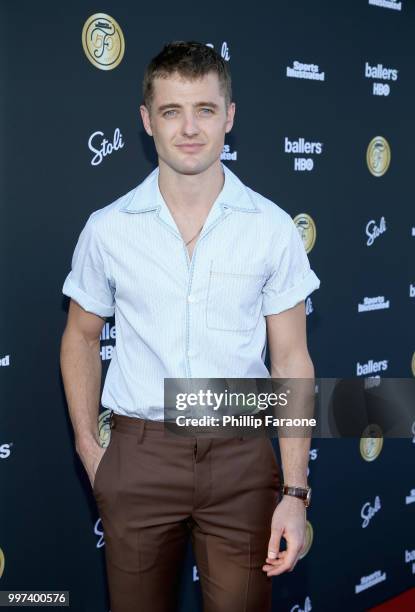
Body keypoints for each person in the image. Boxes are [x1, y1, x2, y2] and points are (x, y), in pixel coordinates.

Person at [60, 40, 320, 612]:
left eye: (204, 109)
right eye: (172, 111)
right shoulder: (108, 229)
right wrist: (89, 446)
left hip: (241, 456)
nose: (189, 129)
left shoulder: (272, 229)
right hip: (137, 455)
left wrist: (295, 492)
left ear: (229, 116)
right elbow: (79, 336)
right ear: (146, 120)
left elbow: (292, 361)